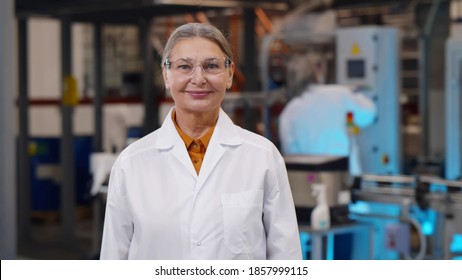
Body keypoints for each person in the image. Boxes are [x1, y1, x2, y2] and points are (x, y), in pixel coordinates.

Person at [100, 22, 302, 260]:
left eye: (211, 66)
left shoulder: (262, 157)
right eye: (184, 66)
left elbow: (286, 257)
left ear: (229, 74)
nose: (198, 78)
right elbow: (113, 259)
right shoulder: (131, 164)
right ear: (166, 75)